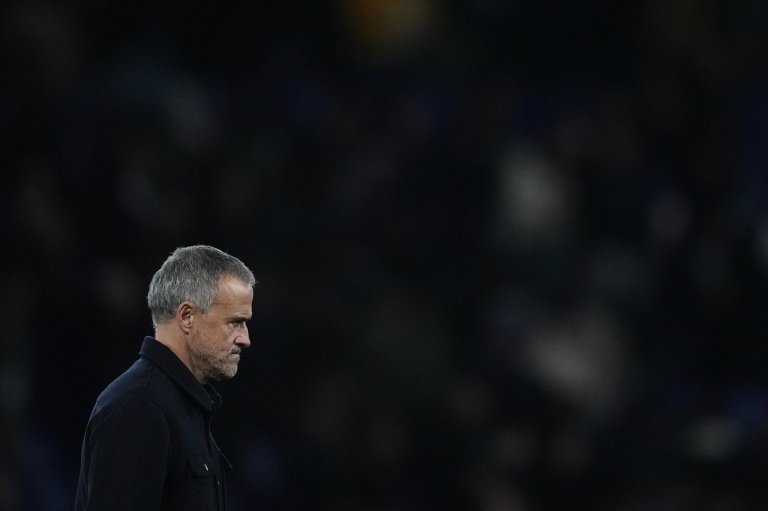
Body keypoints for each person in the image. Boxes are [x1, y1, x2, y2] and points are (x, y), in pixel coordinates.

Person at [75, 245, 256, 510]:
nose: (245, 339)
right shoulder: (140, 406)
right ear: (187, 316)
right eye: (235, 322)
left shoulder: (181, 404)